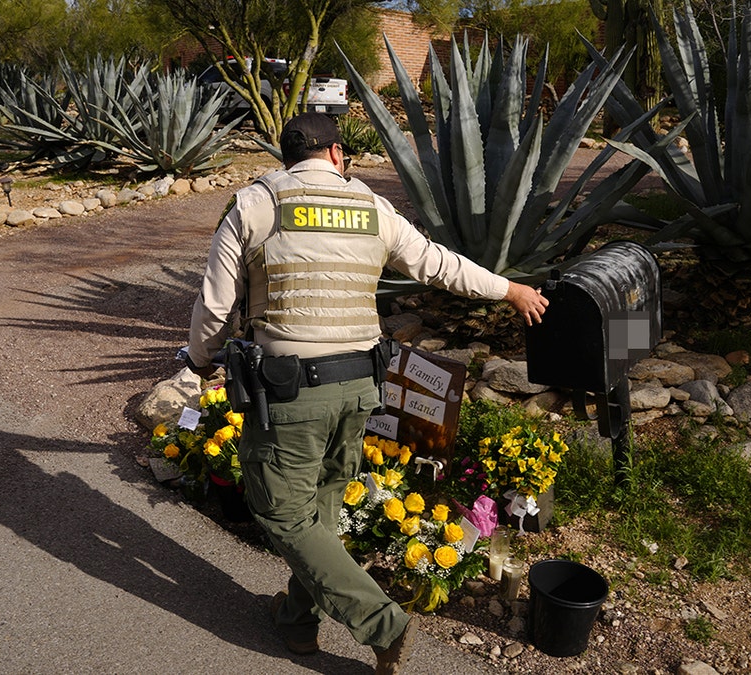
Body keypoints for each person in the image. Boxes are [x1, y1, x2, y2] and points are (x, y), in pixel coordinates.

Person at [185, 112, 548, 674]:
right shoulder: (372, 208)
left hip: (288, 395)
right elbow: (438, 265)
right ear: (335, 154)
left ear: (290, 157)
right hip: (359, 388)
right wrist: (510, 290)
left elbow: (214, 305)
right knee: (323, 506)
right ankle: (298, 625)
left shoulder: (254, 204)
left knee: (281, 511)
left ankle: (383, 623)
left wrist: (200, 360)